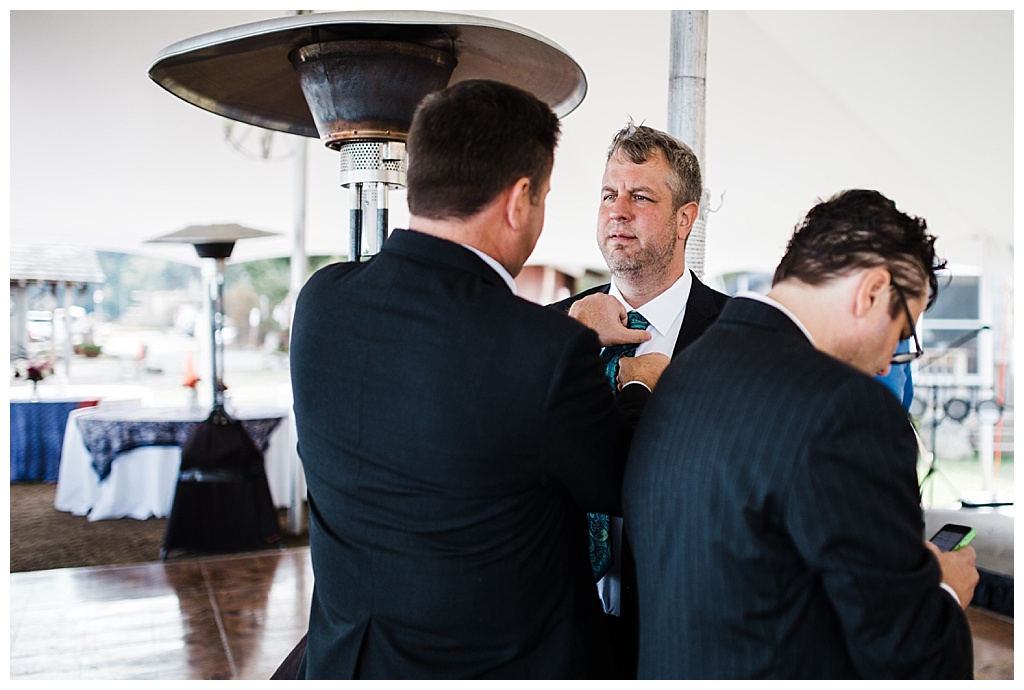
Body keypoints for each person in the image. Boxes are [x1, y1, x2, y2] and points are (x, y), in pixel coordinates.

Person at [287, 79, 659, 679]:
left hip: (348, 660)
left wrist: (567, 323)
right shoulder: (547, 354)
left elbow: (444, 362)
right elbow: (622, 480)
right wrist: (638, 382)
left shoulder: (322, 304)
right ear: (518, 201)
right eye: (542, 198)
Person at [623, 189, 978, 679]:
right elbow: (906, 655)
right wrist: (942, 592)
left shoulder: (686, 369)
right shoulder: (846, 408)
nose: (885, 362)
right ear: (873, 291)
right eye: (900, 335)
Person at [550, 122, 729, 678]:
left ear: (685, 219)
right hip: (563, 625)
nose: (617, 210)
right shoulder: (554, 330)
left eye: (640, 196)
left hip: (684, 624)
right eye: (609, 194)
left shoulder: (735, 338)